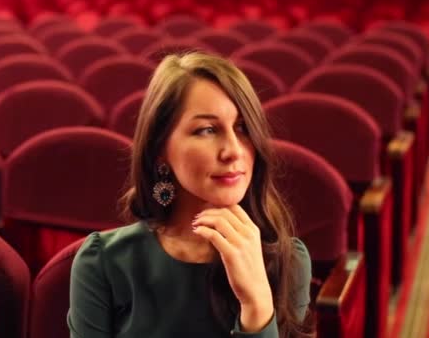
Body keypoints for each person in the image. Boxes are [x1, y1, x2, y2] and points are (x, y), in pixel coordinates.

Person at [68, 51, 314, 338]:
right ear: (160, 148)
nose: (233, 150)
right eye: (207, 130)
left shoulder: (289, 261)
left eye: (243, 128)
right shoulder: (103, 262)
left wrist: (257, 306)